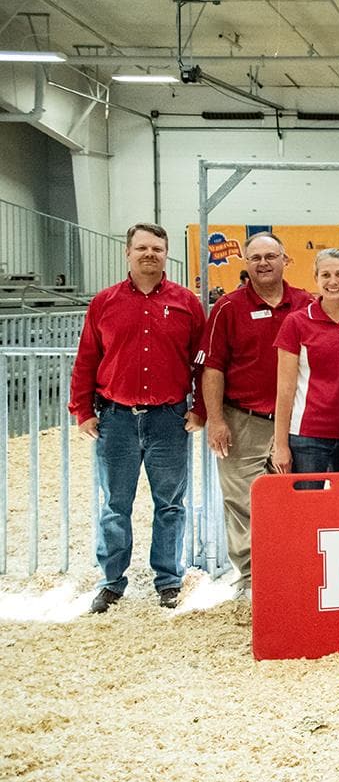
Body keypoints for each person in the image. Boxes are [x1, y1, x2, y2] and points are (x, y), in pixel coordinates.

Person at [69, 223, 205, 613]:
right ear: (128, 252)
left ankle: (168, 579)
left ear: (166, 254)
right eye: (142, 247)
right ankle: (111, 582)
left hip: (169, 419)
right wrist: (82, 410)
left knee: (170, 505)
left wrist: (201, 409)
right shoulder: (104, 303)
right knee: (115, 505)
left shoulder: (186, 303)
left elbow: (201, 360)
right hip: (117, 420)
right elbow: (87, 359)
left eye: (157, 248)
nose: (150, 254)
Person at [199, 231, 311, 595]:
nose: (264, 263)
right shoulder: (228, 308)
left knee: (293, 502)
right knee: (242, 505)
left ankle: (289, 576)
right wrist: (216, 420)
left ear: (285, 260)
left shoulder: (307, 304)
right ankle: (250, 581)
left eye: (270, 256)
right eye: (256, 257)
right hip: (241, 420)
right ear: (246, 264)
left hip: (294, 422)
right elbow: (212, 367)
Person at [273, 249, 339, 475]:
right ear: (316, 278)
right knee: (309, 509)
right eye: (326, 275)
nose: (333, 282)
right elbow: (285, 389)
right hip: (308, 438)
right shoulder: (296, 323)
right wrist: (281, 445)